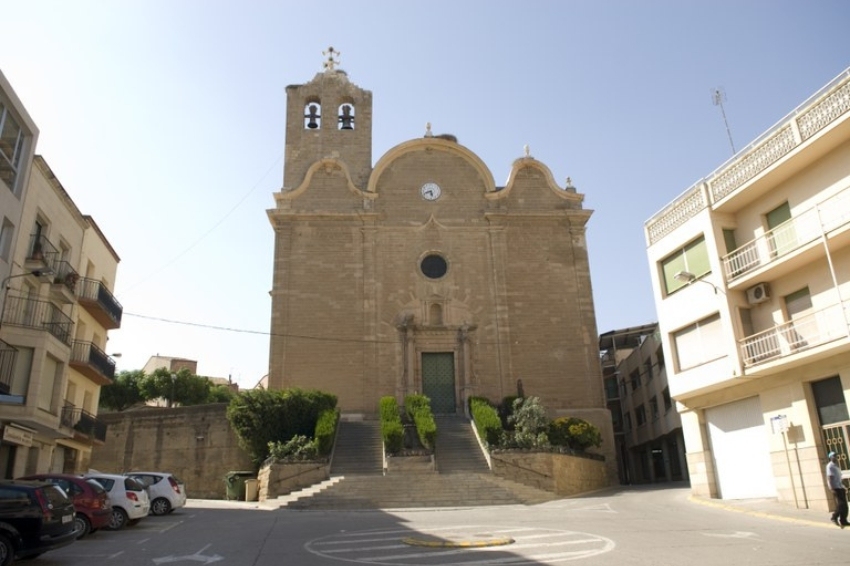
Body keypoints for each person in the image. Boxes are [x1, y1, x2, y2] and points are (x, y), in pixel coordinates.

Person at [826, 451, 849, 528]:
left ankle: (843, 520)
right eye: (833, 456)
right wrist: (831, 488)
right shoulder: (830, 466)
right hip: (835, 487)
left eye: (836, 455)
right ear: (830, 457)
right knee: (841, 504)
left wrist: (843, 486)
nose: (835, 457)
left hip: (840, 486)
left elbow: (839, 478)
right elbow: (829, 478)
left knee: (845, 505)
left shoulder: (836, 466)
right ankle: (834, 517)